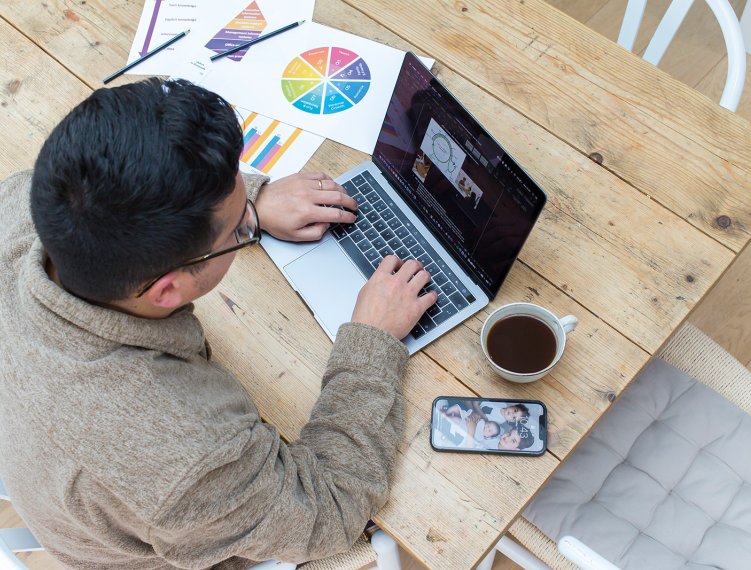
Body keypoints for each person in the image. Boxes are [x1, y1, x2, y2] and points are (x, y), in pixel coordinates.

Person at [0, 78, 438, 569]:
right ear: (168, 289)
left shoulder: (22, 203)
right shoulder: (187, 456)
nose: (246, 222)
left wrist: (252, 201)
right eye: (238, 231)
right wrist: (371, 343)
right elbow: (330, 512)